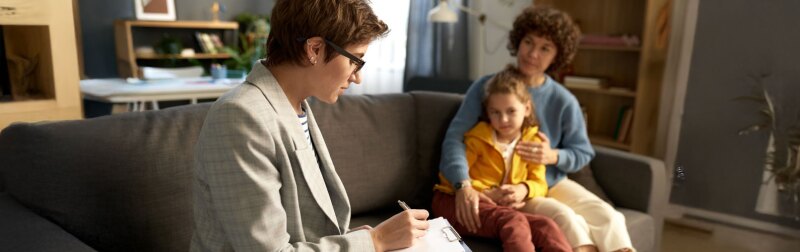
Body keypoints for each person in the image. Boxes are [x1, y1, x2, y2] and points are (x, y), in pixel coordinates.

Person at [190, 1, 429, 251]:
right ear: (314, 49)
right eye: (355, 60)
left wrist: (351, 240)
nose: (358, 77)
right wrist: (375, 241)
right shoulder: (240, 116)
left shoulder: (296, 105)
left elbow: (298, 223)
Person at [438, 5, 634, 252]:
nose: (532, 54)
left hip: (549, 180)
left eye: (545, 48)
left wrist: (553, 155)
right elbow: (455, 138)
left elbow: (582, 153)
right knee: (568, 219)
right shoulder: (486, 88)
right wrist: (463, 184)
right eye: (528, 42)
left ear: (557, 56)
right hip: (510, 184)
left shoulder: (564, 100)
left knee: (611, 217)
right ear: (518, 42)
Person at [432, 65, 572, 252]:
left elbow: (540, 182)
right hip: (453, 201)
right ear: (487, 113)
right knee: (514, 220)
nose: (503, 119)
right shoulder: (478, 138)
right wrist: (487, 193)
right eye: (495, 112)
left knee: (546, 226)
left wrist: (523, 189)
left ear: (527, 109)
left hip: (494, 206)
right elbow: (448, 177)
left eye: (511, 111)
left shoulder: (532, 142)